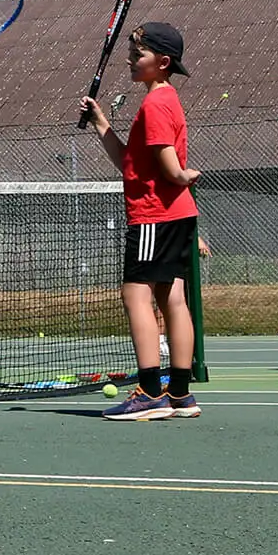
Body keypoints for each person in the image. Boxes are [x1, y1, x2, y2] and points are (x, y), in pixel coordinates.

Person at [83, 21, 202, 422]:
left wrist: (179, 176)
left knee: (136, 295)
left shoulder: (154, 104)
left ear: (163, 62)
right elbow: (128, 163)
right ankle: (181, 394)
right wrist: (101, 122)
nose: (132, 60)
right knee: (173, 298)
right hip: (177, 215)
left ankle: (151, 391)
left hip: (155, 215)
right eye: (132, 53)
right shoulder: (162, 101)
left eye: (139, 54)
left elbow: (167, 157)